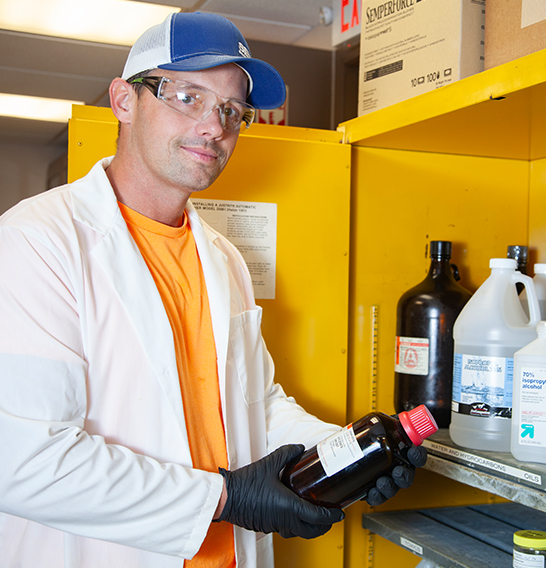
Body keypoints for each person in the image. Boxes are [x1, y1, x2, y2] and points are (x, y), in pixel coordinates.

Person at [0, 12, 426, 568]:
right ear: (124, 100)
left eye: (231, 110)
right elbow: (25, 461)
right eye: (188, 97)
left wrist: (347, 455)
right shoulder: (37, 242)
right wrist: (227, 498)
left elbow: (255, 405)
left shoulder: (222, 258)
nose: (214, 127)